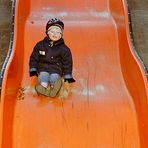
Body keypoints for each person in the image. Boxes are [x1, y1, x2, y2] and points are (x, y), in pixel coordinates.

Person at [29, 18, 75, 97]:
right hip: (43, 68)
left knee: (54, 77)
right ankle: (43, 87)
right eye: (52, 31)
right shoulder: (40, 45)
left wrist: (67, 75)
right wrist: (33, 68)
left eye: (58, 32)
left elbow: (67, 62)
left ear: (61, 35)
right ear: (47, 33)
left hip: (56, 68)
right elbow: (34, 57)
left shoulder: (64, 49)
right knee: (43, 76)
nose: (55, 34)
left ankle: (55, 88)